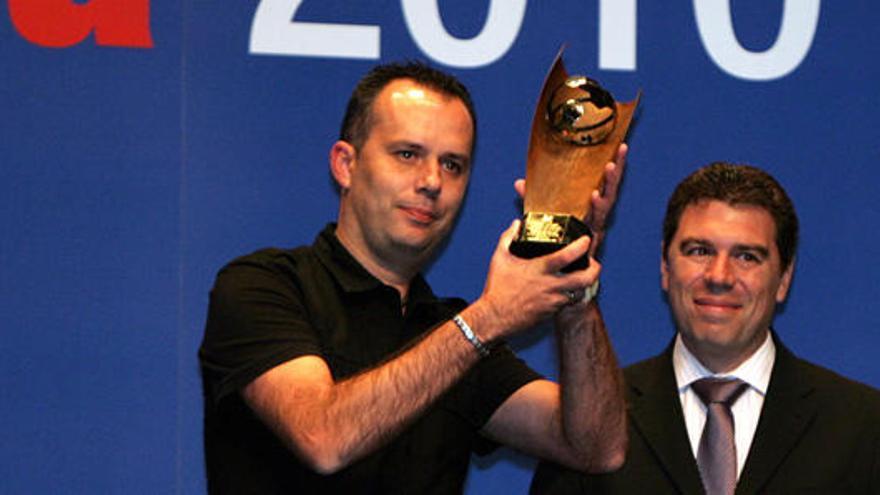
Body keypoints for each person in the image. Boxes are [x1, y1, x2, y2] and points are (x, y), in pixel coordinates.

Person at [199, 61, 630, 494]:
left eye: (453, 165)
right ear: (345, 164)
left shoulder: (452, 330)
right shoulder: (262, 287)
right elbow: (322, 438)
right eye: (408, 154)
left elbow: (594, 447)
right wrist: (487, 320)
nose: (431, 182)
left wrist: (575, 288)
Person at [531, 162, 880, 494]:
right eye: (699, 251)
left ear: (784, 279)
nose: (719, 277)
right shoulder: (588, 420)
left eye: (747, 257)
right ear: (665, 268)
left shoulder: (863, 426)